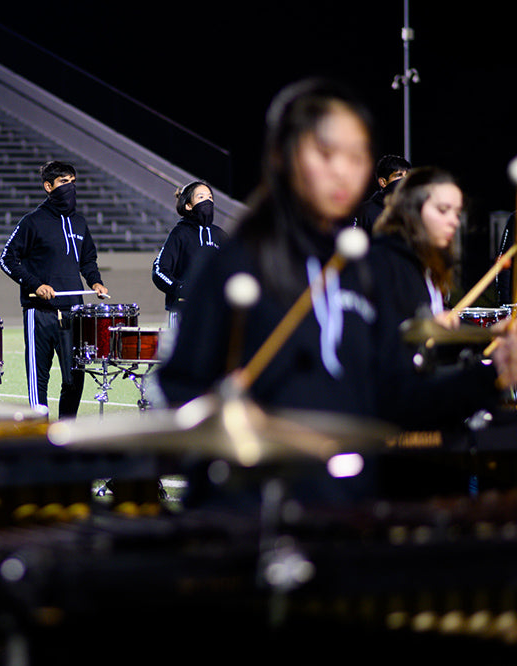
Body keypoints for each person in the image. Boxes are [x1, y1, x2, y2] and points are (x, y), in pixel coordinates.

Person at [154, 78, 517, 433]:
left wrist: (493, 370)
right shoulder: (234, 265)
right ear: (283, 156)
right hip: (268, 488)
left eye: (357, 156)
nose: (343, 170)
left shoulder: (363, 271)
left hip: (357, 490)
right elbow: (180, 396)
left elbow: (396, 398)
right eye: (326, 153)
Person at [0, 160, 108, 418]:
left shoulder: (80, 222)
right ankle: (40, 432)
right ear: (48, 186)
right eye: (63, 182)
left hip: (75, 313)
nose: (69, 187)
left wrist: (95, 281)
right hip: (40, 312)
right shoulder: (32, 221)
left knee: (75, 377)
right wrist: (36, 285)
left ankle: (65, 430)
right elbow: (6, 258)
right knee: (39, 378)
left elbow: (88, 260)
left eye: (72, 182)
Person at [369, 166, 463, 330]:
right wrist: (427, 325)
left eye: (457, 213)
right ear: (412, 211)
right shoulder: (384, 261)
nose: (454, 222)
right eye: (443, 210)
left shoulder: (425, 261)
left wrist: (492, 332)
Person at [151, 180, 228, 328]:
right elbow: (159, 270)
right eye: (201, 197)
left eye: (210, 197)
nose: (207, 200)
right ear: (188, 205)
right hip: (183, 313)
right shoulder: (180, 233)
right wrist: (180, 288)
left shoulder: (220, 235)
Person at [354, 154, 411, 234]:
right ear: (383, 182)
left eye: (407, 176)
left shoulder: (413, 209)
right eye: (399, 175)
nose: (404, 180)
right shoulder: (365, 212)